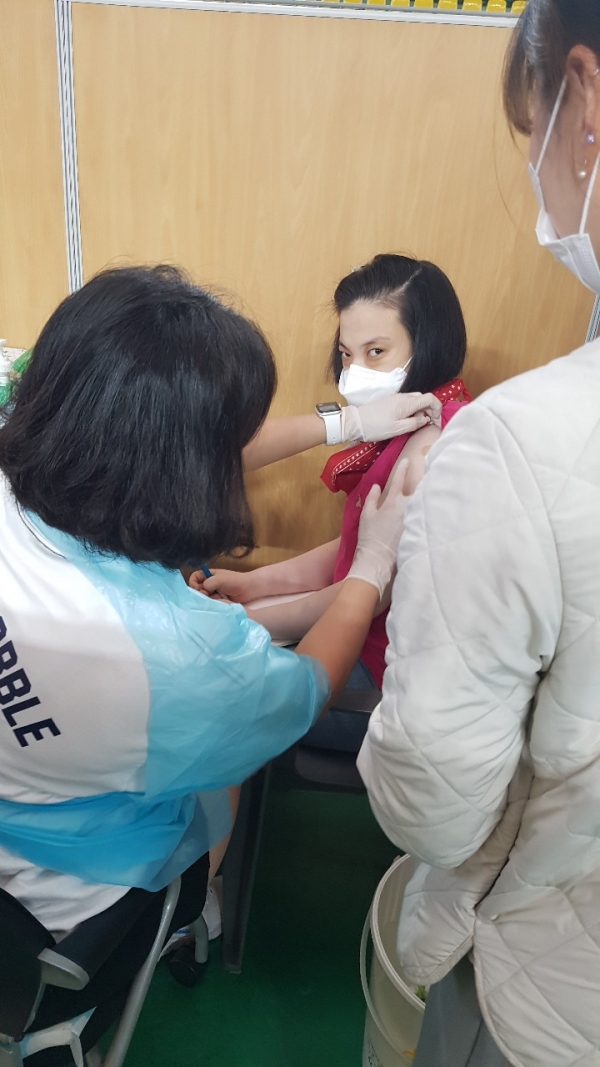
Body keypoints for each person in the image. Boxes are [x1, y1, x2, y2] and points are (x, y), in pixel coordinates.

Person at [0, 265, 408, 1062]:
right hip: (66, 914)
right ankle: (193, 910)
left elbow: (165, 446)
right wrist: (369, 570)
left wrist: (345, 422)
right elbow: (302, 689)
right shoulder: (189, 662)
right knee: (221, 770)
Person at [357, 3, 600, 1066]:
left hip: (549, 979)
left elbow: (437, 799)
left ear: (584, 105)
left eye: (530, 134)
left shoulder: (499, 442)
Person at [192, 254, 470, 753]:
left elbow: (371, 587)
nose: (355, 372)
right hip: (359, 633)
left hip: (383, 681)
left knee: (209, 697)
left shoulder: (430, 445)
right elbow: (358, 547)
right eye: (346, 354)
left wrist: (248, 622)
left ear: (429, 345)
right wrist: (256, 584)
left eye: (376, 352)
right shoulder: (401, 427)